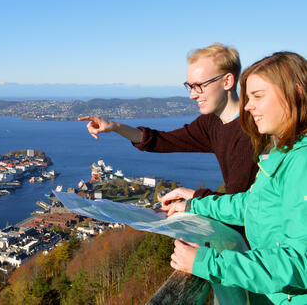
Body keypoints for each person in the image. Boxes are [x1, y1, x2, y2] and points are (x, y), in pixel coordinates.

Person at [169, 52, 307, 304]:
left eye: (258, 96)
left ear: (296, 93)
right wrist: (194, 204)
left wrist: (206, 262)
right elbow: (252, 205)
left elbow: (300, 263)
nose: (247, 106)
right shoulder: (285, 152)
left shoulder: (303, 162)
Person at [79, 43, 258, 212]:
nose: (192, 96)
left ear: (227, 81)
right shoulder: (212, 123)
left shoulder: (250, 133)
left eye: (199, 86)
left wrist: (193, 198)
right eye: (190, 86)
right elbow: (163, 141)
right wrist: (115, 126)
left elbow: (239, 206)